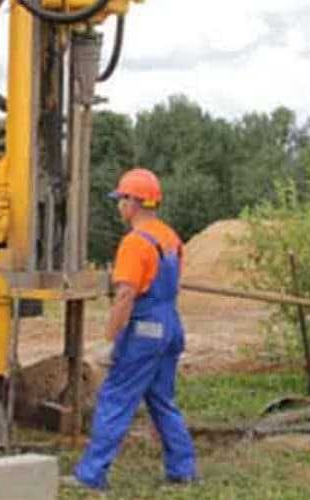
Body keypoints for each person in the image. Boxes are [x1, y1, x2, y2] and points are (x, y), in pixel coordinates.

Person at [71, 168, 197, 490]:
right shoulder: (170, 237)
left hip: (144, 329)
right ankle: (183, 470)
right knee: (162, 400)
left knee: (115, 397)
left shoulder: (134, 243)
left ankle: (91, 474)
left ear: (133, 202)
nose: (118, 206)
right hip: (170, 324)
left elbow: (126, 294)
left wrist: (111, 339)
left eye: (121, 199)